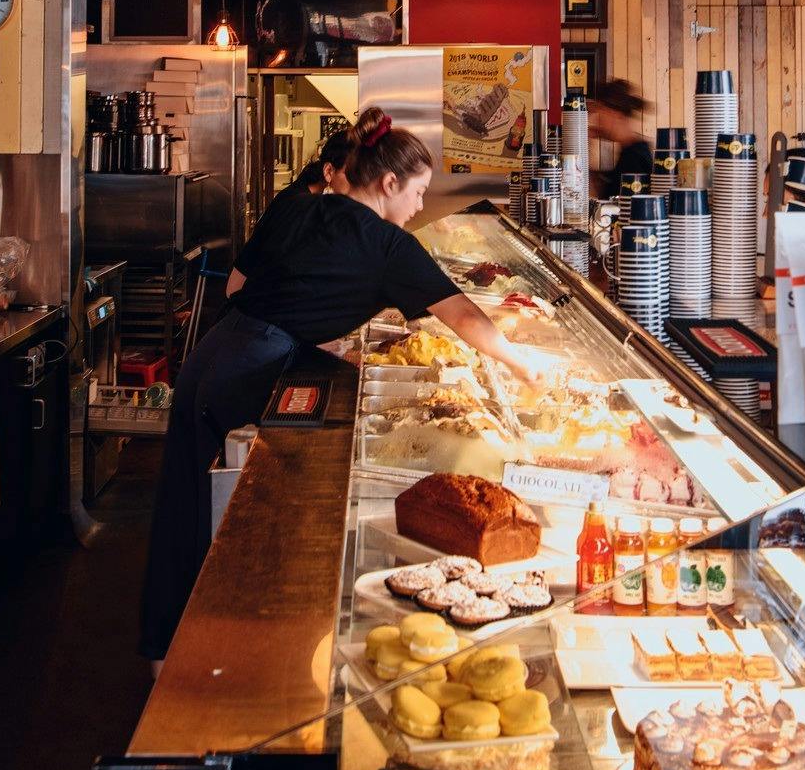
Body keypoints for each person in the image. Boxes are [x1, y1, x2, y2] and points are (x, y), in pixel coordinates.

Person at [143, 108, 550, 659]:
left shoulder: (304, 207)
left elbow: (257, 284)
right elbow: (464, 318)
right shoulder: (389, 247)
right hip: (250, 369)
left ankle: (165, 648)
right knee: (226, 516)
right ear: (389, 183)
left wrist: (313, 336)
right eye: (419, 191)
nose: (421, 206)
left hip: (217, 352)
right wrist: (522, 363)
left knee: (182, 498)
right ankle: (209, 659)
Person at [587, 79, 655, 197]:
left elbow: (613, 204)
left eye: (598, 114)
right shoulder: (632, 151)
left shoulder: (634, 158)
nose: (596, 121)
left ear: (614, 114)